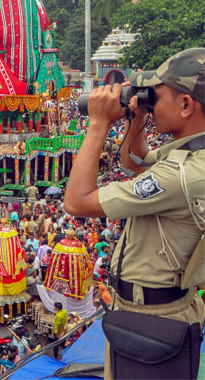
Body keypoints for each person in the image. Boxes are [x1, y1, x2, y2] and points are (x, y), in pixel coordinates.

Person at [64, 48, 205, 379]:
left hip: (153, 321)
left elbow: (76, 201)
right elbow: (135, 162)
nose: (150, 103)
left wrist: (98, 124)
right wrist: (138, 115)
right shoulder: (191, 155)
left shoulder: (181, 175)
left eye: (156, 97)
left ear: (186, 105)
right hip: (152, 313)